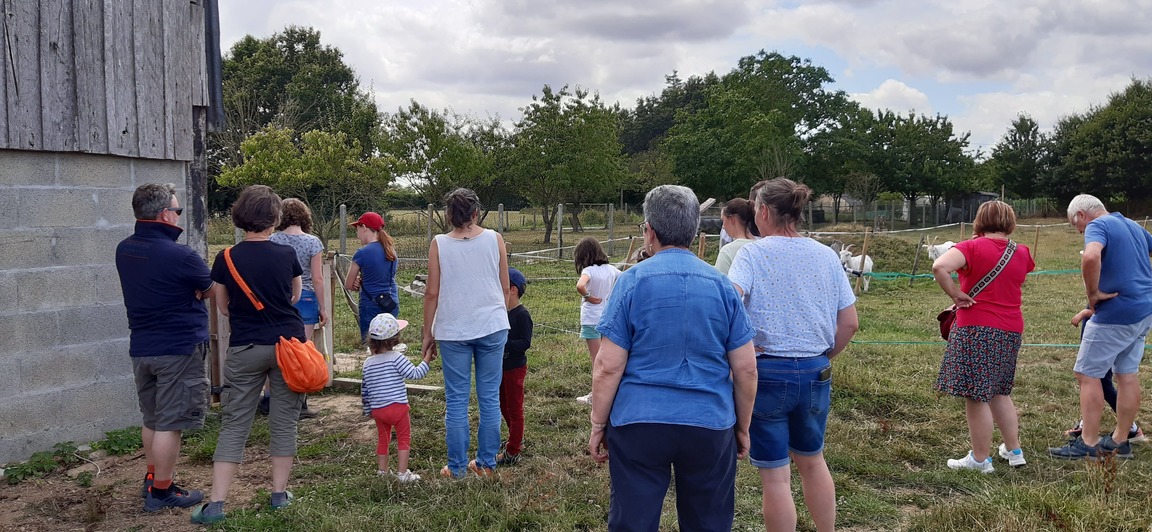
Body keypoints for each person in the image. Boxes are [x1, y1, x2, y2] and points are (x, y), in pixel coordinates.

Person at [587, 184, 757, 531]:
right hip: (710, 424)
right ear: (695, 232)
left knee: (632, 521)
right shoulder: (723, 286)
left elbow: (607, 366)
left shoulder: (630, 282)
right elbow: (746, 367)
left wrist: (598, 423)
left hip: (639, 424)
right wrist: (741, 426)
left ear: (649, 231)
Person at [727, 178, 859, 532]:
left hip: (766, 372)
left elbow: (729, 302)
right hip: (816, 370)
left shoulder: (751, 254)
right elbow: (849, 323)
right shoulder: (826, 255)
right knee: (813, 461)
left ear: (765, 211)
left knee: (775, 477)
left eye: (756, 209)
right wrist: (824, 355)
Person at [192, 185, 306, 524]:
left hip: (245, 347)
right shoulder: (287, 255)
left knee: (234, 424)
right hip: (288, 347)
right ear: (274, 219)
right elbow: (295, 298)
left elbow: (224, 308)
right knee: (284, 422)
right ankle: (278, 495)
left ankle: (216, 505)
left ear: (241, 219)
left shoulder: (226, 258)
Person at [115, 183, 210, 512]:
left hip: (142, 348)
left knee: (152, 418)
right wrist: (194, 291)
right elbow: (210, 289)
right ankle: (162, 492)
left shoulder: (124, 249)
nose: (179, 216)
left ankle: (152, 477)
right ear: (166, 214)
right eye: (178, 210)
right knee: (172, 423)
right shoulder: (181, 255)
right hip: (178, 349)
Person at [931, 200, 1034, 473]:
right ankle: (1014, 451)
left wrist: (955, 294)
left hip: (976, 327)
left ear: (979, 221)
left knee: (976, 396)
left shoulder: (970, 247)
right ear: (1010, 222)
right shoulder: (1022, 251)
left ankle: (979, 460)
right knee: (1000, 391)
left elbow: (940, 267)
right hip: (1011, 327)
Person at [1049, 194, 1152, 460]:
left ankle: (1089, 443)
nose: (1079, 231)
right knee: (1126, 374)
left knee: (1087, 374)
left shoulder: (1098, 226)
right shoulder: (1132, 225)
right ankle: (1119, 440)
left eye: (1076, 226)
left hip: (1115, 313)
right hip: (1143, 311)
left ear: (1082, 215)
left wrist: (1093, 294)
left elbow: (1091, 257)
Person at [422, 188, 511, 479]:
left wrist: (428, 333)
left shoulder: (439, 244)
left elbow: (432, 292)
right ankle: (486, 464)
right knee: (489, 398)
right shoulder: (495, 239)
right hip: (492, 326)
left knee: (457, 399)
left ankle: (457, 468)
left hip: (453, 329)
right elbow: (504, 284)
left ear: (449, 215)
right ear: (476, 213)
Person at [266, 198, 326, 419]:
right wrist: (323, 307)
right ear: (305, 216)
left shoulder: (273, 239)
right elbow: (318, 279)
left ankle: (270, 398)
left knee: (277, 349)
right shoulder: (313, 242)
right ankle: (300, 403)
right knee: (302, 350)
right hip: (307, 298)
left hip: (281, 297)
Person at [362, 313, 435, 482]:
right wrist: (427, 359)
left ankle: (382, 472)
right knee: (403, 437)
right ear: (394, 339)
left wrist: (368, 410)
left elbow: (365, 391)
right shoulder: (396, 358)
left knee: (383, 438)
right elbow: (416, 374)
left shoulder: (368, 364)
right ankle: (402, 473)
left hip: (378, 410)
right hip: (398, 408)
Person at [1062, 309, 1145, 442]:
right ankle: (1089, 425)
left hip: (1107, 324)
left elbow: (1109, 302)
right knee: (1097, 379)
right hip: (1109, 322)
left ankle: (1130, 429)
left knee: (1098, 380)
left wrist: (1085, 313)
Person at [573, 237, 620, 405]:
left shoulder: (589, 271)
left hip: (591, 319)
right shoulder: (611, 269)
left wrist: (588, 297)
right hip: (607, 319)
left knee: (596, 361)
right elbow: (623, 280)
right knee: (606, 358)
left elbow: (580, 285)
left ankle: (597, 395)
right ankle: (611, 392)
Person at [346, 212, 400, 342]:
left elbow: (348, 284)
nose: (356, 233)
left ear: (364, 227)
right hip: (391, 301)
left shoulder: (362, 253)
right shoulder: (391, 251)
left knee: (371, 345)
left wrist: (358, 282)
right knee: (389, 343)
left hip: (370, 304)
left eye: (357, 228)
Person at [498, 267, 533, 466]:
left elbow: (525, 343)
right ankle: (515, 439)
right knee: (503, 404)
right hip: (501, 367)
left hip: (515, 369)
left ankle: (512, 452)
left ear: (512, 289)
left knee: (514, 408)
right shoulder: (502, 312)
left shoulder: (522, 315)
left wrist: (504, 344)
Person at [714, 198, 757, 275]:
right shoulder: (761, 247)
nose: (723, 226)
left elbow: (720, 283)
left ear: (732, 219)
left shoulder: (727, 251)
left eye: (723, 220)